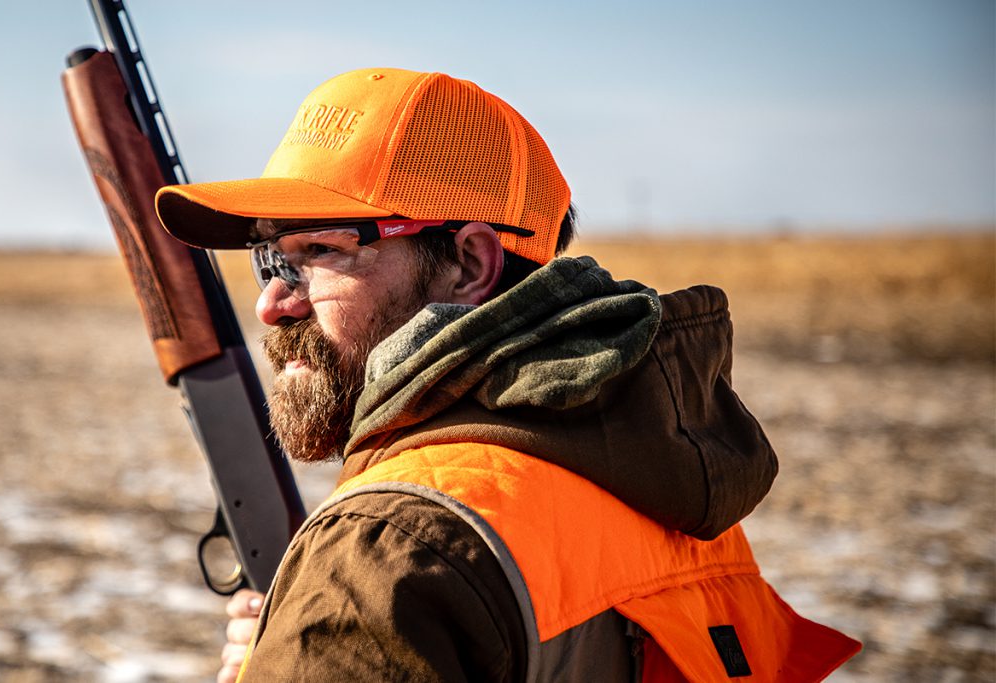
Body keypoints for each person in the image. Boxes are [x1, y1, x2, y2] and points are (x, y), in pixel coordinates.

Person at [156, 67, 859, 681]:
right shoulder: (667, 497)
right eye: (271, 258)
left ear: (470, 263)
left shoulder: (387, 552)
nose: (272, 302)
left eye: (319, 251)